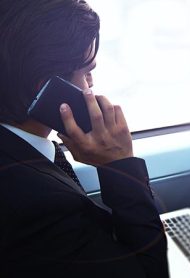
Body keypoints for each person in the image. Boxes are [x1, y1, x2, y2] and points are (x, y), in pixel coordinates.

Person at [0, 1, 169, 277]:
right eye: (87, 71)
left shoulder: (22, 149)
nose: (91, 83)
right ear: (48, 87)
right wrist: (119, 164)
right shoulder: (40, 209)